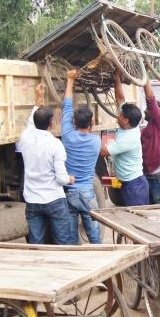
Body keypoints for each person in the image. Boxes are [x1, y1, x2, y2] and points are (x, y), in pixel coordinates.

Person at [19, 82, 75, 244]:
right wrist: (69, 179)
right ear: (51, 123)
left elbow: (32, 120)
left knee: (36, 243)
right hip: (54, 200)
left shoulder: (25, 138)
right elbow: (61, 179)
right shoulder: (55, 145)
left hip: (32, 201)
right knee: (62, 241)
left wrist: (38, 97)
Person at [61, 70, 102, 243]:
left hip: (70, 191)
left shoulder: (67, 136)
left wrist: (70, 80)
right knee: (94, 234)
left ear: (74, 122)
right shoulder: (96, 142)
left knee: (71, 237)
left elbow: (67, 106)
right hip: (87, 191)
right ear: (91, 123)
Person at [100, 71, 149, 206]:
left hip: (134, 186)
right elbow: (120, 99)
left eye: (120, 115)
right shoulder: (128, 125)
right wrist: (117, 80)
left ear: (126, 120)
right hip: (125, 182)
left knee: (136, 220)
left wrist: (85, 135)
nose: (118, 115)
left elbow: (103, 152)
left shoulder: (129, 139)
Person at [141, 80, 160, 204]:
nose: (145, 111)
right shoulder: (144, 130)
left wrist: (144, 79)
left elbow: (151, 100)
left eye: (148, 109)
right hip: (148, 176)